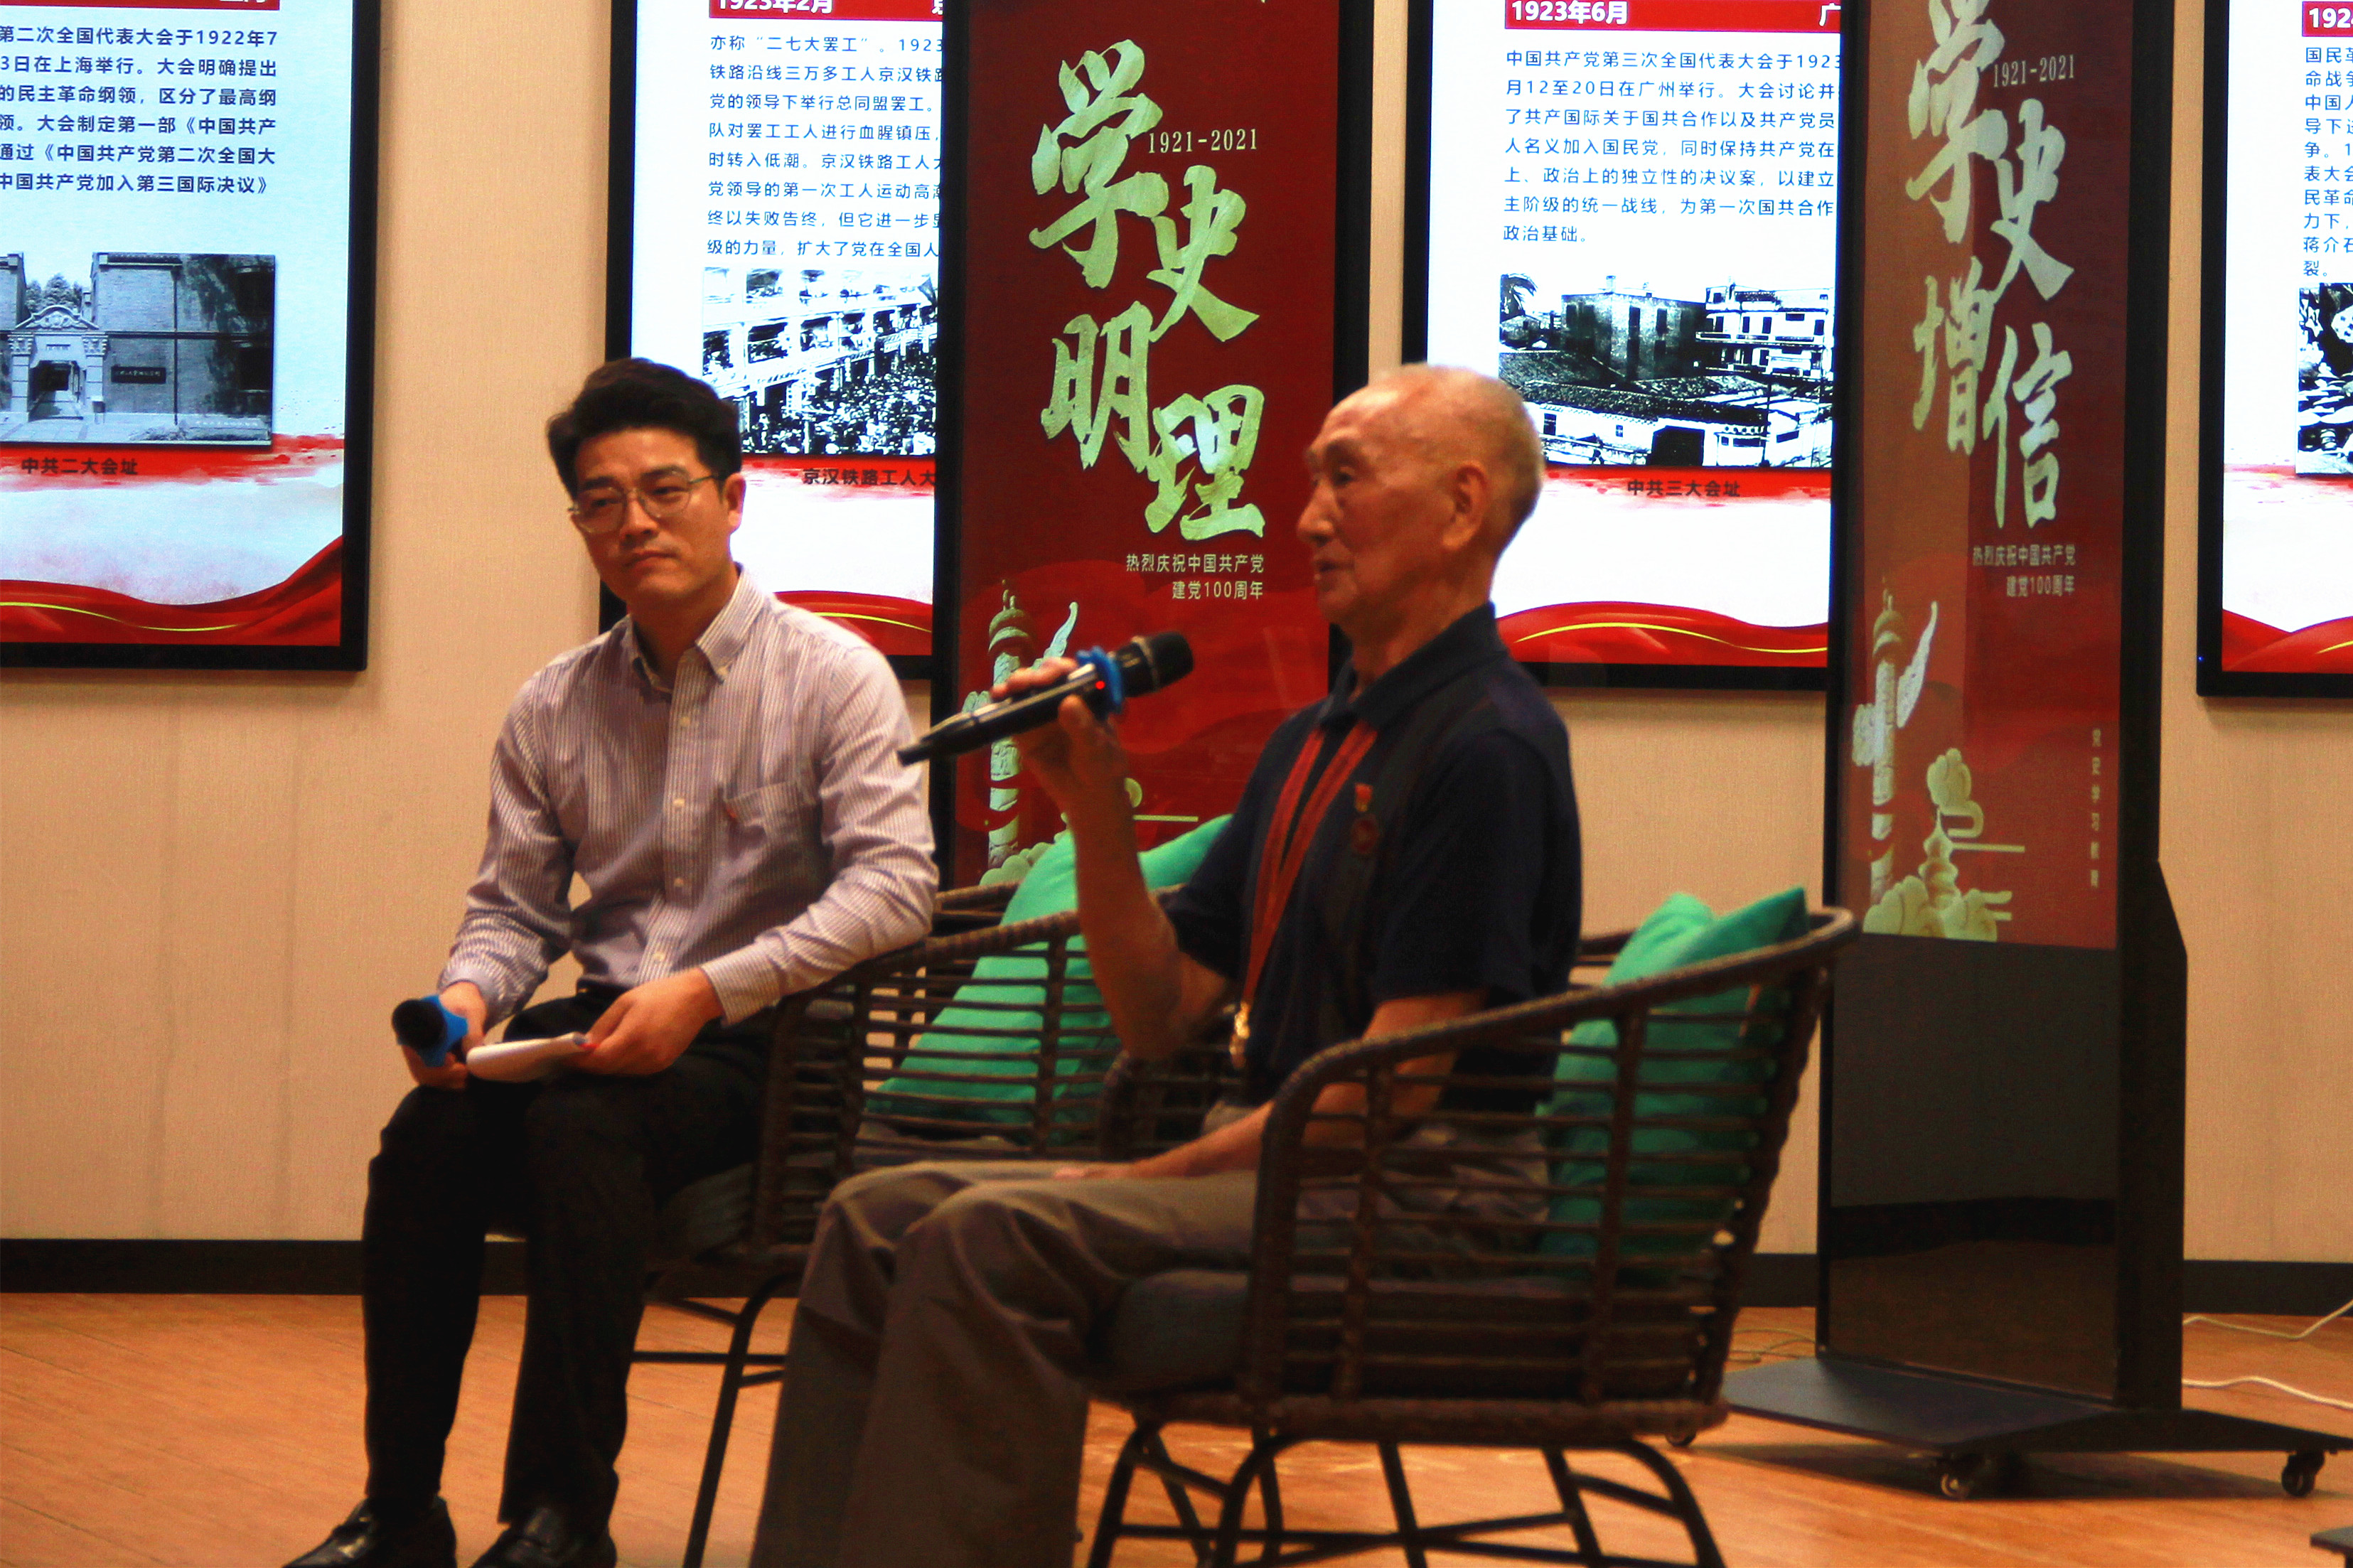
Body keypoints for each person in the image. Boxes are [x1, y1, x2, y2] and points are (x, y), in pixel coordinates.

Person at [753, 365, 1582, 1568]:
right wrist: (1091, 799)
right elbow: (1158, 1014)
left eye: (1345, 478)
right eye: (1310, 482)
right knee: (874, 1211)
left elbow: (1389, 1089)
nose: (1306, 517)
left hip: (1413, 1192)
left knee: (993, 1232)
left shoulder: (1488, 744)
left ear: (1462, 506)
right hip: (1284, 1161)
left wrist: (1143, 1172)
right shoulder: (1311, 741)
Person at [287, 360, 936, 1568]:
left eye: (663, 490)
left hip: (774, 1043)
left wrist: (707, 989)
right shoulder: (555, 704)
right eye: (601, 501)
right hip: (603, 1025)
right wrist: (465, 1003)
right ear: (581, 525)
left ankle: (562, 1516)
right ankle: (402, 1510)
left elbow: (898, 890)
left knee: (583, 1128)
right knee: (426, 1137)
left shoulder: (832, 674)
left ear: (731, 499)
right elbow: (512, 911)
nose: (633, 522)